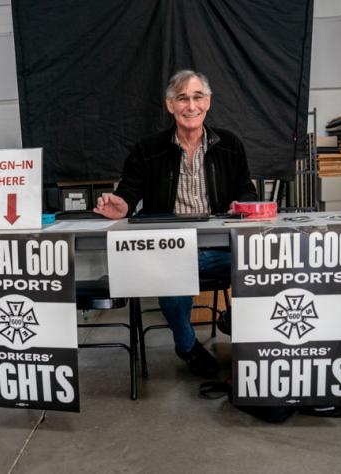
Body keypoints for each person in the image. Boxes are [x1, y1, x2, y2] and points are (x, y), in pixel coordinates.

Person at [94, 70, 257, 377]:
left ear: (207, 102)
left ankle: (244, 326)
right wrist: (121, 204)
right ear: (171, 105)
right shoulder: (147, 150)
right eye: (182, 98)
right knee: (171, 272)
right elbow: (129, 191)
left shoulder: (230, 144)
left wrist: (242, 203)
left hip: (222, 249)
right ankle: (187, 346)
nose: (190, 105)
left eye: (197, 97)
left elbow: (246, 189)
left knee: (260, 261)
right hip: (171, 249)